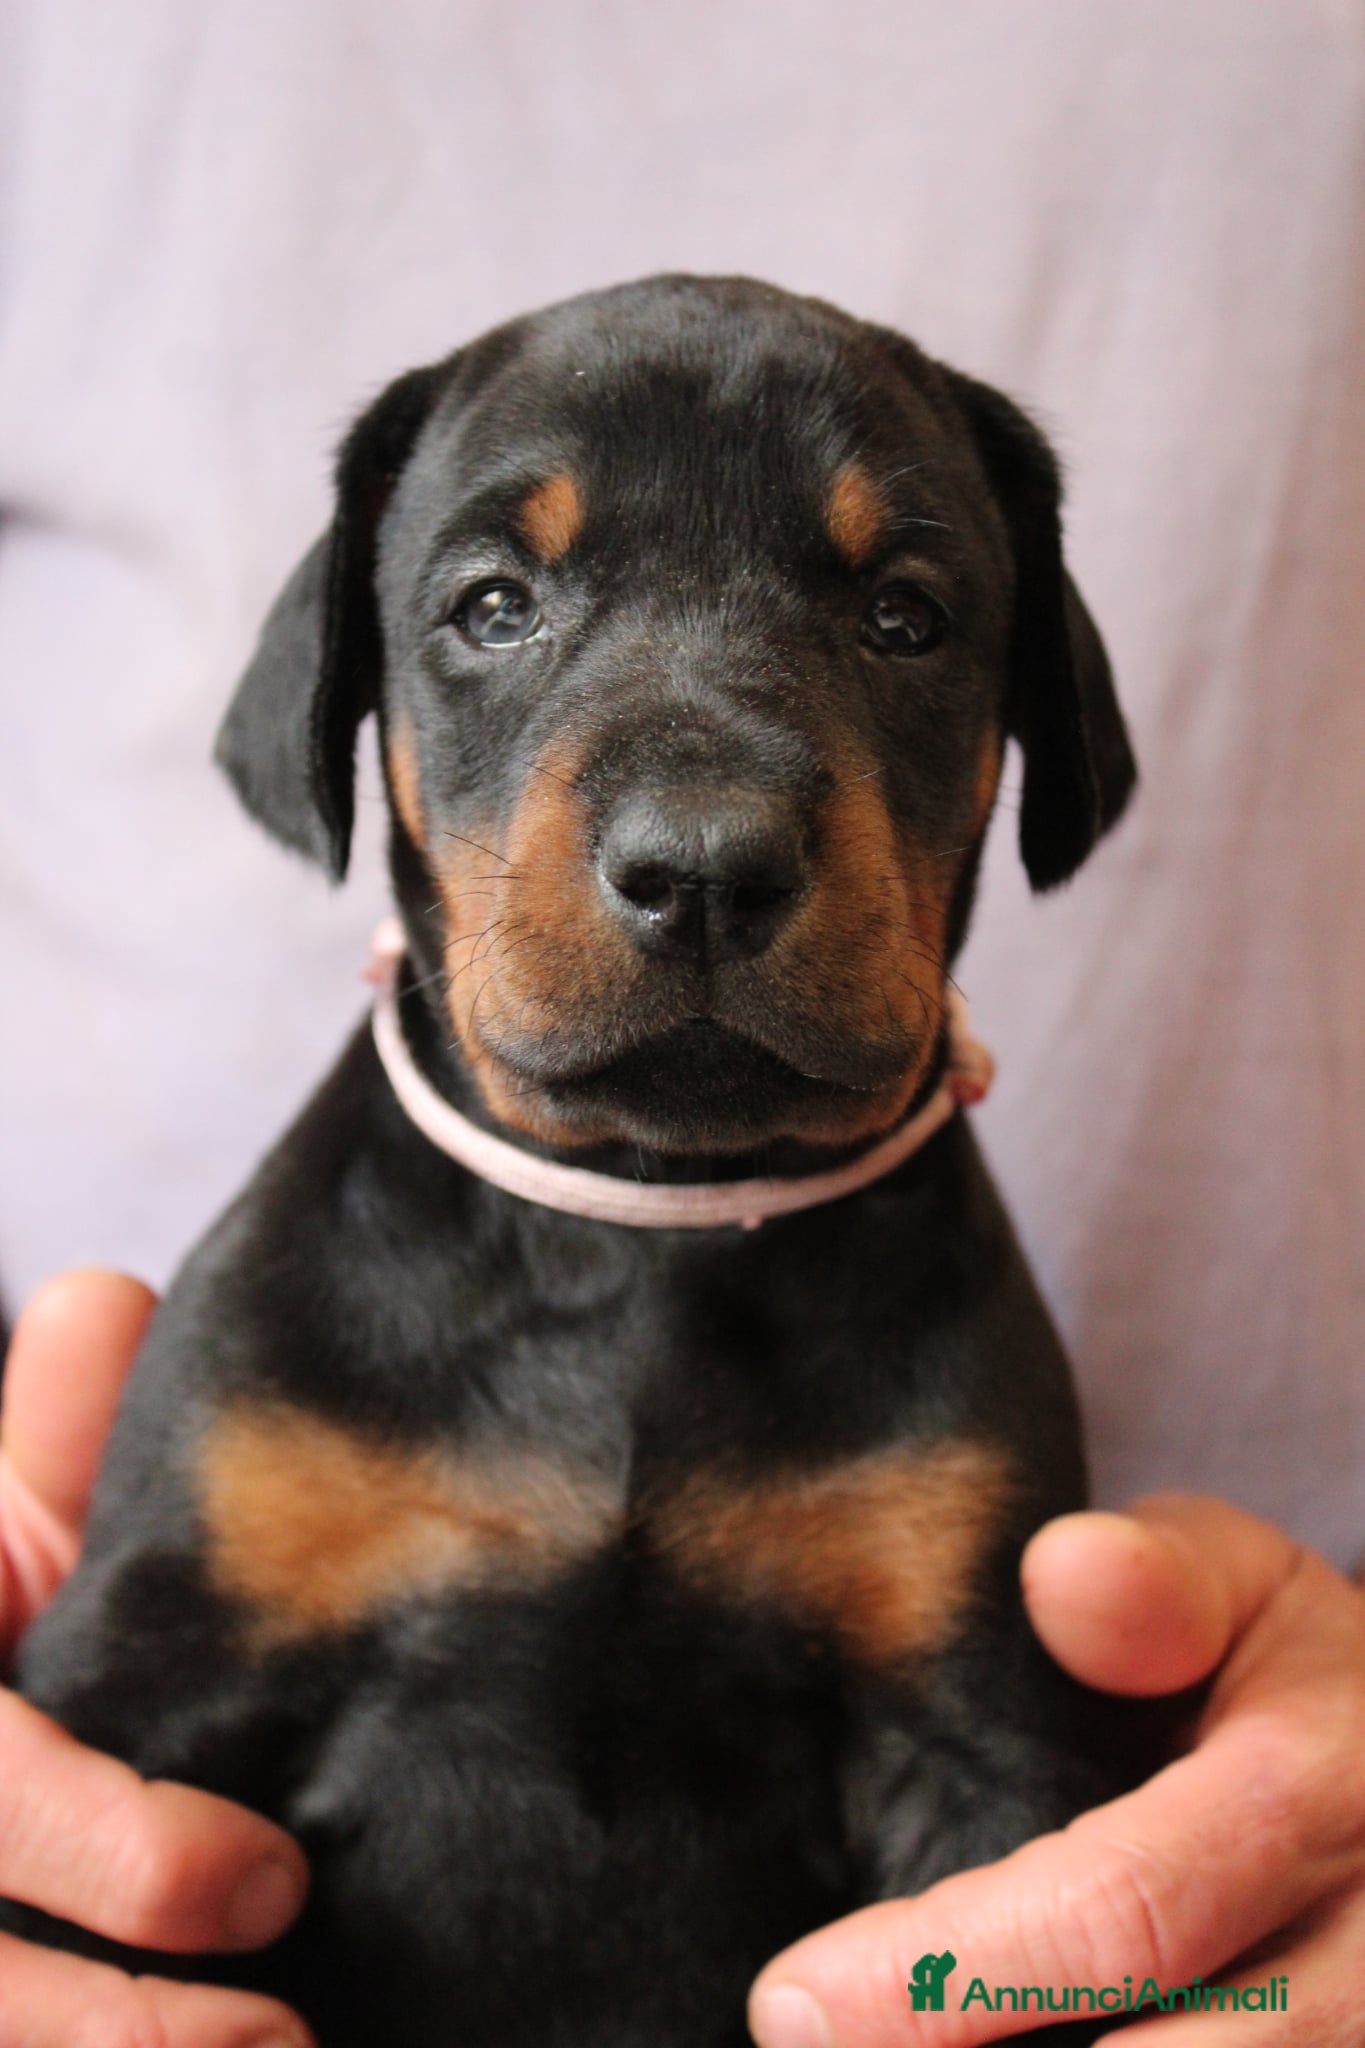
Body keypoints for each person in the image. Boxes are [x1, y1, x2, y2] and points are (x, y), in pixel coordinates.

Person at [1, 3, 1361, 2043]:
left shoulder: (941, 1391)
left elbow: (1038, 1916)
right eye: (493, 607)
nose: (704, 823)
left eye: (897, 616)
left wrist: (1227, 1988)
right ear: (344, 721)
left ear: (1028, 744)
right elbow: (93, 1800)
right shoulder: (284, 1362)